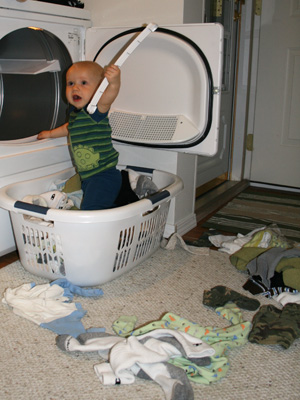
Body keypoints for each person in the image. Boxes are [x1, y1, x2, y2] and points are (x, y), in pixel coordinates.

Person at [37, 61, 122, 210]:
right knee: (97, 205)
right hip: (88, 176)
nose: (75, 87)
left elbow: (108, 98)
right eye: (70, 83)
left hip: (104, 176)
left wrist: (114, 83)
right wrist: (50, 134)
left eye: (83, 83)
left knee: (92, 209)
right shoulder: (75, 114)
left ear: (99, 90)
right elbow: (68, 128)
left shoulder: (95, 111)